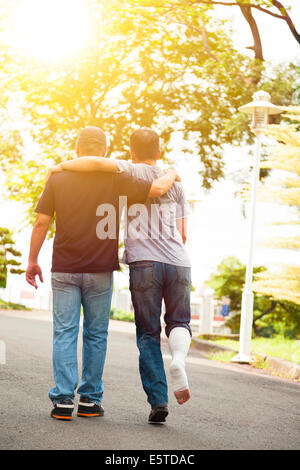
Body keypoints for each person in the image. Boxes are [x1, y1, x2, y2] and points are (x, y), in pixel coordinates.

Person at [25, 126, 180, 421]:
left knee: (64, 333)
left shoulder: (58, 177)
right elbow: (157, 189)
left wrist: (32, 260)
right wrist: (173, 172)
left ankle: (63, 400)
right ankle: (89, 400)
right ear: (106, 151)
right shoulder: (117, 177)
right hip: (99, 269)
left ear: (77, 149)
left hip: (65, 268)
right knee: (96, 335)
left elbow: (41, 223)